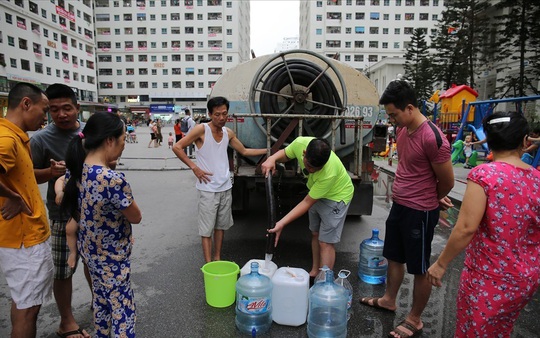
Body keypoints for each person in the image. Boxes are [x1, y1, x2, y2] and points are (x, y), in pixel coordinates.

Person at [427, 111, 540, 337]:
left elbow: (466, 227)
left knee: (474, 330)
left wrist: (441, 263)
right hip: (526, 279)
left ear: (488, 140)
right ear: (524, 140)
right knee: (501, 330)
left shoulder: (484, 175)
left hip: (489, 278)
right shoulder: (536, 178)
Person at [359, 80, 454, 338]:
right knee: (394, 257)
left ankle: (415, 318)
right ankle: (390, 299)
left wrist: (435, 196)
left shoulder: (433, 137)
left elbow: (448, 181)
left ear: (409, 108)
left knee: (419, 267)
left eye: (393, 114)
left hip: (420, 212)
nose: (391, 119)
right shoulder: (403, 130)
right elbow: (413, 170)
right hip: (400, 206)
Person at [62, 112, 142, 337]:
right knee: (123, 311)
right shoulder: (112, 179)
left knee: (102, 303)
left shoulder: (77, 168)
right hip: (113, 258)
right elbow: (136, 216)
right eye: (123, 139)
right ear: (109, 140)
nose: (124, 145)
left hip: (91, 253)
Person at [30, 83, 91, 338]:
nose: (61, 114)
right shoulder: (41, 139)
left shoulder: (90, 133)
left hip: (92, 212)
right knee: (64, 270)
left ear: (77, 107)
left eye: (67, 108)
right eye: (54, 110)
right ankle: (66, 321)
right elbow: (28, 175)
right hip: (61, 216)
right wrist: (50, 173)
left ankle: (100, 302)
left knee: (94, 263)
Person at [172, 96, 266, 262]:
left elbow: (244, 151)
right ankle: (209, 264)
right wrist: (194, 167)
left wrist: (269, 150)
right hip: (207, 189)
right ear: (209, 113)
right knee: (206, 230)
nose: (221, 118)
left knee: (221, 226)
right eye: (217, 114)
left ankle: (217, 258)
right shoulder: (201, 130)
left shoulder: (228, 133)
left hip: (225, 187)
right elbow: (177, 147)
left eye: (224, 114)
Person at [0, 82, 53, 338]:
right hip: (24, 241)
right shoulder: (7, 138)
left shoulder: (16, 136)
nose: (46, 117)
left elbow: (23, 175)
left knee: (23, 304)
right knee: (28, 311)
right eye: (44, 110)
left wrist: (50, 173)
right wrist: (13, 197)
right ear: (26, 104)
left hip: (24, 239)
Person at [261, 137, 354, 281]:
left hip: (336, 197)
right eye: (309, 166)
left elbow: (306, 202)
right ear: (304, 153)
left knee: (326, 242)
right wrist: (272, 158)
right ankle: (315, 272)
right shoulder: (300, 143)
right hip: (316, 191)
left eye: (316, 169)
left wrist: (281, 223)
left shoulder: (329, 172)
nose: (310, 170)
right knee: (315, 234)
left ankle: (325, 284)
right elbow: (286, 153)